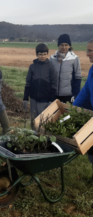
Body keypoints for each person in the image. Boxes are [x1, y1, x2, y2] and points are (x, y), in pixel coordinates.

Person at [23, 43, 57, 129]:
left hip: (45, 99)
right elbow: (28, 83)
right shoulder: (32, 67)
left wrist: (51, 100)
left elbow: (53, 85)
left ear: (47, 54)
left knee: (42, 120)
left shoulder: (51, 68)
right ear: (37, 54)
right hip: (33, 98)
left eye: (44, 54)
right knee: (33, 119)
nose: (42, 56)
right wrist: (25, 98)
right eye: (40, 54)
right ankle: (33, 136)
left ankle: (42, 138)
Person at [73, 38, 93, 180]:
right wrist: (72, 110)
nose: (87, 54)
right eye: (87, 50)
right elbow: (86, 92)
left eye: (90, 50)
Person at [50, 34, 82, 103]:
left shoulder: (74, 58)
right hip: (54, 95)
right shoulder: (52, 58)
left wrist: (75, 94)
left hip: (68, 95)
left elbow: (78, 76)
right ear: (58, 45)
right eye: (61, 45)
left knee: (67, 114)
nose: (64, 47)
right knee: (54, 113)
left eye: (66, 45)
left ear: (69, 46)